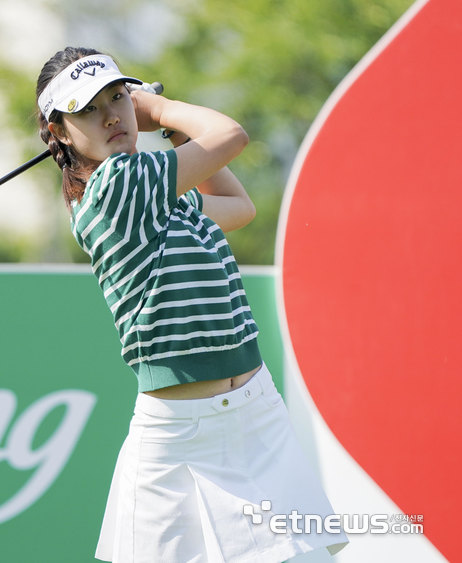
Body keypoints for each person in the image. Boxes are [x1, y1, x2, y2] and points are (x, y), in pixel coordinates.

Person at [36, 46, 348, 563]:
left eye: (118, 96)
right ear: (61, 134)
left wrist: (178, 136)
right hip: (184, 438)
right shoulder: (118, 187)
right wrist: (158, 110)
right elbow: (232, 136)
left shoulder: (159, 194)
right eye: (90, 108)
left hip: (256, 416)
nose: (114, 114)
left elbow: (238, 208)